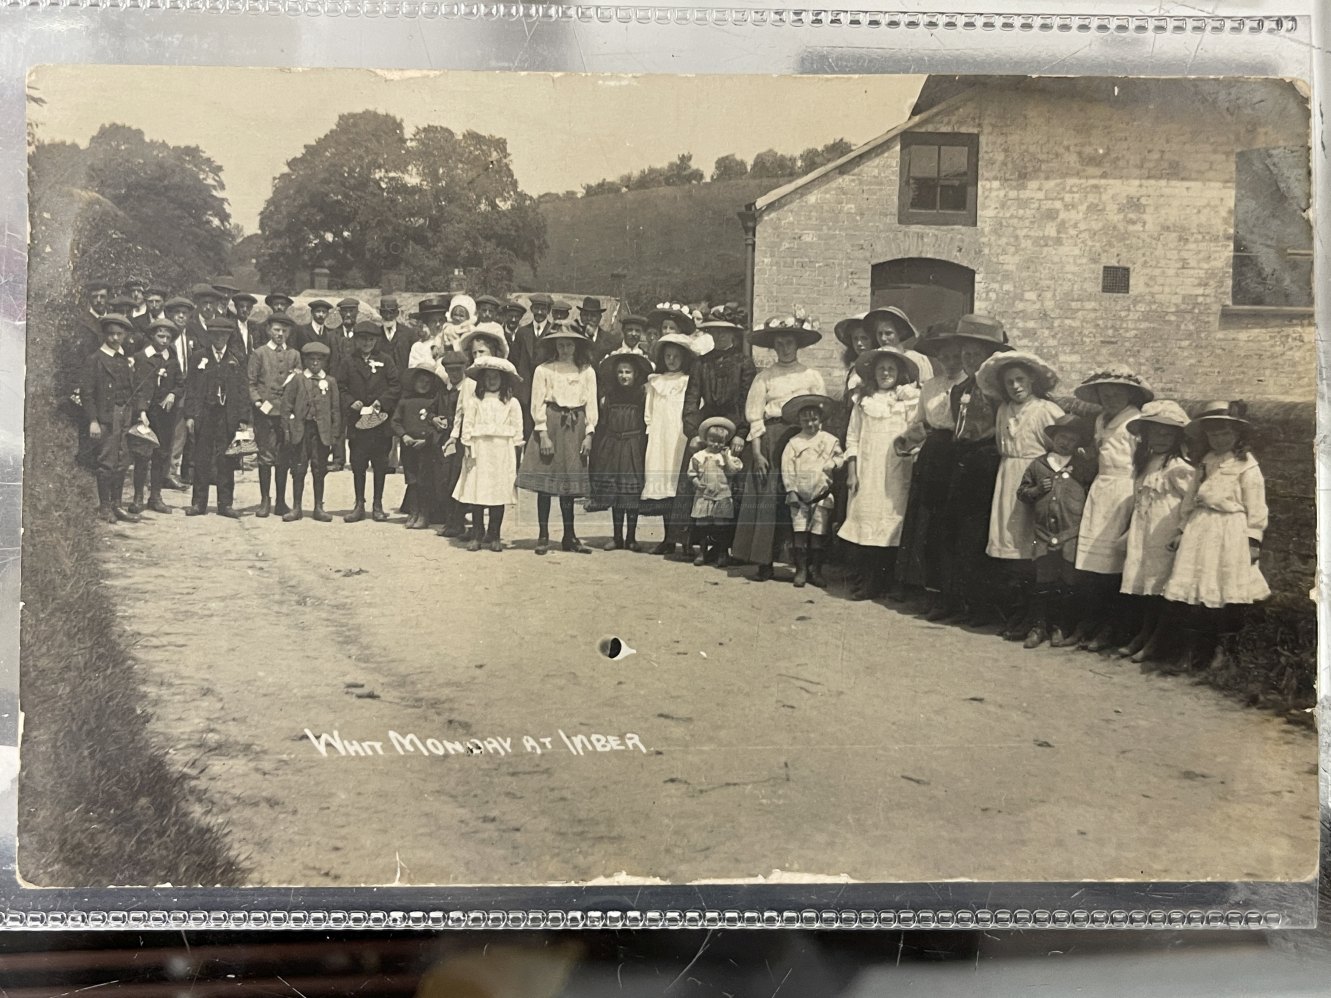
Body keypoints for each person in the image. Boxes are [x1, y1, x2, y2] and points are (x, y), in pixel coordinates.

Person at [1161, 401, 1268, 674]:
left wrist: (1252, 541)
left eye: (1225, 434)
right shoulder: (1205, 463)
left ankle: (1221, 653)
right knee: (1194, 590)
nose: (1218, 440)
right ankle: (1192, 649)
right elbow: (1189, 500)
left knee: (1223, 590)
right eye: (1213, 435)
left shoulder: (1246, 466)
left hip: (1229, 530)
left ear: (1237, 435)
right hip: (1200, 527)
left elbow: (1256, 508)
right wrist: (1182, 530)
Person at [975, 349, 1065, 638]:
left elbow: (1062, 449)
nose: (1015, 386)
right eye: (1009, 382)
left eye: (1020, 379)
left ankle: (1038, 619)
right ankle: (1017, 613)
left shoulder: (1046, 411)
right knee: (1010, 550)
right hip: (1008, 481)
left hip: (1036, 480)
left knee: (1034, 552)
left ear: (1032, 381)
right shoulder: (1003, 410)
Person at [731, 314, 826, 581]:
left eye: (789, 342)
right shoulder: (764, 377)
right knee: (768, 498)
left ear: (798, 345)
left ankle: (803, 564)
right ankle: (764, 561)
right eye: (780, 343)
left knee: (802, 498)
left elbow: (821, 412)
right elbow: (755, 417)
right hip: (771, 440)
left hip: (801, 437)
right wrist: (758, 452)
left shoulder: (811, 375)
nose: (784, 347)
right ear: (773, 347)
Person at [930, 315, 1011, 625]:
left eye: (976, 355)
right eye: (965, 354)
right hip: (961, 459)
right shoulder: (958, 389)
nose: (969, 360)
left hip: (986, 459)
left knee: (977, 535)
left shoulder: (996, 391)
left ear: (990, 358)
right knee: (952, 531)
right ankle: (953, 599)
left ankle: (981, 606)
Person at [1071, 369, 1154, 650]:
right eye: (1104, 392)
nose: (1110, 397)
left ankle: (1112, 628)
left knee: (1114, 565)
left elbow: (1141, 463)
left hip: (1123, 491)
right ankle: (1088, 623)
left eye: (1117, 391)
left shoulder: (1137, 421)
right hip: (1100, 490)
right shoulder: (1100, 420)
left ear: (1130, 394)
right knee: (1092, 565)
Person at [894, 322, 969, 609]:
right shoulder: (931, 386)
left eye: (955, 357)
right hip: (934, 454)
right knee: (929, 521)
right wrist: (905, 442)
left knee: (954, 522)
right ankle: (929, 587)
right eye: (944, 357)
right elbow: (921, 421)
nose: (950, 363)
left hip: (959, 452)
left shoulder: (970, 386)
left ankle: (954, 593)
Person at [837, 347, 920, 600]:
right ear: (873, 372)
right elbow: (852, 437)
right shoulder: (863, 402)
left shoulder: (908, 400)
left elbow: (916, 433)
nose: (886, 373)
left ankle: (888, 582)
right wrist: (852, 472)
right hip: (868, 468)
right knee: (867, 521)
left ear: (899, 373)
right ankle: (868, 580)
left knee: (893, 523)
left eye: (891, 369)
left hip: (896, 471)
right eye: (882, 368)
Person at [672, 312, 754, 562]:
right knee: (701, 486)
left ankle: (724, 549)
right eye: (715, 332)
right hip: (707, 427)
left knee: (730, 489)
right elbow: (691, 398)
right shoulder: (701, 362)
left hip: (735, 425)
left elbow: (747, 400)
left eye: (725, 332)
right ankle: (700, 545)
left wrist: (741, 433)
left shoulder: (744, 362)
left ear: (733, 334)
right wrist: (693, 432)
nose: (720, 336)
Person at [1117, 400, 1195, 664]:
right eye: (1154, 432)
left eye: (1167, 433)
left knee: (1162, 584)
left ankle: (1156, 641)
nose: (1160, 438)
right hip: (1145, 529)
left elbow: (1191, 502)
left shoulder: (1179, 467)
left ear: (1177, 436)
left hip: (1166, 529)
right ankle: (1143, 633)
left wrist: (1182, 531)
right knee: (1148, 583)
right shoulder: (1148, 462)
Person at [515, 326, 599, 555]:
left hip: (576, 425)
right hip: (551, 423)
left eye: (569, 344)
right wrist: (542, 434)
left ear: (577, 346)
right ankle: (543, 535)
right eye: (560, 344)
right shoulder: (544, 370)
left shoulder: (586, 371)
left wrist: (589, 434)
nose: (565, 349)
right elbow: (537, 403)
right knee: (546, 482)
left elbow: (591, 403)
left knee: (569, 485)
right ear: (554, 346)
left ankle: (569, 536)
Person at [1015, 414, 1095, 648]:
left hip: (1071, 534)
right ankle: (1038, 627)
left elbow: (1092, 494)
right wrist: (1038, 490)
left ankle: (1060, 626)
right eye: (1061, 437)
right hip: (1042, 535)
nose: (1065, 443)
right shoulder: (1039, 465)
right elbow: (1022, 493)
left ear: (1078, 442)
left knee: (1068, 581)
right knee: (1043, 581)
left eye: (1071, 439)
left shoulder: (1083, 467)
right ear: (1052, 438)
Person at [454, 356, 525, 552]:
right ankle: (477, 533)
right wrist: (467, 446)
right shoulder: (475, 401)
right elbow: (467, 425)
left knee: (497, 494)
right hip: (480, 452)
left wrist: (517, 453)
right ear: (482, 380)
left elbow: (518, 430)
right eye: (488, 377)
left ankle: (494, 534)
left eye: (496, 377)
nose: (492, 380)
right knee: (479, 493)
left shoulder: (512, 403)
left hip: (501, 453)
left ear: (503, 380)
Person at [184, 318, 250, 518]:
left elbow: (242, 391)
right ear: (210, 336)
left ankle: (225, 504)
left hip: (227, 417)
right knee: (202, 459)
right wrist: (190, 416)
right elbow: (191, 388)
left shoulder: (236, 359)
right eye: (215, 335)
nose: (220, 339)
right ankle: (199, 503)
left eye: (224, 335)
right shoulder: (199, 358)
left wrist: (243, 420)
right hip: (205, 415)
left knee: (226, 460)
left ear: (229, 337)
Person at [83, 313, 144, 523]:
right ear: (104, 335)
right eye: (111, 334)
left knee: (123, 459)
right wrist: (93, 420)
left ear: (125, 335)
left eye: (119, 334)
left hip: (125, 413)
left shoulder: (125, 359)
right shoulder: (95, 360)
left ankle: (117, 505)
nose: (115, 338)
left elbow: (132, 389)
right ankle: (105, 506)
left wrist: (138, 414)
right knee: (107, 461)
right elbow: (87, 394)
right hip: (107, 415)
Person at [780, 394, 845, 588]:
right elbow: (787, 468)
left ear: (821, 419)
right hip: (799, 496)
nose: (810, 423)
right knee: (799, 532)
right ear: (799, 420)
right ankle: (800, 570)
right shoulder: (794, 443)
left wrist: (833, 463)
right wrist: (791, 490)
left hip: (821, 495)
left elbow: (841, 458)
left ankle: (815, 570)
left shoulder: (830, 440)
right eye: (806, 420)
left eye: (814, 419)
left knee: (818, 534)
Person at [588, 352, 651, 551]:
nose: (624, 376)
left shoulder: (642, 395)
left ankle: (631, 537)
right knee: (616, 492)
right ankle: (616, 537)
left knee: (630, 493)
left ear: (636, 374)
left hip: (633, 444)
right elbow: (604, 424)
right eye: (620, 372)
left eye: (628, 372)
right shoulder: (609, 397)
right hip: (613, 445)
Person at [641, 331, 695, 556]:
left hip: (680, 437)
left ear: (684, 358)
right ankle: (668, 539)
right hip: (660, 438)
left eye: (676, 356)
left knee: (681, 486)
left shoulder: (688, 381)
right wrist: (652, 435)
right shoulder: (656, 382)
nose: (671, 360)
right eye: (668, 356)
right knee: (664, 486)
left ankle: (687, 541)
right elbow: (649, 414)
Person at [341, 321, 402, 522]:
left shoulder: (385, 360)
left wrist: (381, 402)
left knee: (380, 463)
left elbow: (395, 386)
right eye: (362, 339)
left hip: (380, 422)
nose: (366, 343)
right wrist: (351, 402)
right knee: (358, 463)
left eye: (370, 339)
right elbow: (340, 388)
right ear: (356, 340)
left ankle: (377, 504)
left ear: (376, 340)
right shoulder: (348, 361)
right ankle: (359, 504)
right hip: (358, 423)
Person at [247, 312, 302, 518]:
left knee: (284, 456)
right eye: (276, 330)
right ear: (269, 330)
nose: (280, 334)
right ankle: (264, 500)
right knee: (265, 455)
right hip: (265, 412)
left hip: (285, 413)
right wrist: (259, 403)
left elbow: (299, 383)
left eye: (284, 331)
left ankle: (280, 501)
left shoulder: (294, 355)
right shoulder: (259, 353)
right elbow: (251, 383)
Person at [279, 341, 341, 523]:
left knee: (319, 468)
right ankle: (297, 507)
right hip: (301, 430)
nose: (315, 363)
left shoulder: (330, 382)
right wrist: (288, 429)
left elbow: (335, 409)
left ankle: (318, 507)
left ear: (324, 362)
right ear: (305, 360)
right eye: (311, 359)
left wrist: (335, 434)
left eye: (319, 360)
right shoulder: (297, 380)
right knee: (298, 468)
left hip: (321, 432)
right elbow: (286, 406)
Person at [128, 317, 183, 516]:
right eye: (160, 336)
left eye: (168, 337)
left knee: (162, 454)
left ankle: (156, 497)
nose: (163, 341)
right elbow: (138, 387)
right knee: (143, 454)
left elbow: (180, 384)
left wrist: (172, 394)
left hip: (166, 416)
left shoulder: (172, 360)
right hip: (146, 414)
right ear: (152, 336)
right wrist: (141, 411)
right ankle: (137, 497)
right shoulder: (142, 357)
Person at [393, 361, 450, 530]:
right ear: (413, 381)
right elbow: (395, 422)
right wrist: (404, 435)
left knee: (425, 481)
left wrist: (427, 440)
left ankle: (425, 515)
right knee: (412, 480)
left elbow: (438, 424)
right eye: (420, 381)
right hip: (409, 446)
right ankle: (413, 512)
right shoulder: (405, 401)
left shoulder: (434, 401)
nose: (423, 385)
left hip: (427, 447)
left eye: (427, 382)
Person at [688, 416, 744, 567]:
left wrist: (727, 458)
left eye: (720, 441)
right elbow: (692, 473)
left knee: (721, 525)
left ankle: (722, 552)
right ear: (705, 439)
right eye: (712, 440)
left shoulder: (727, 457)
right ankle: (702, 552)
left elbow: (733, 472)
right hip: (704, 495)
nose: (716, 444)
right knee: (703, 524)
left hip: (722, 495)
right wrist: (696, 483)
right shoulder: (699, 456)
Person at [163, 295, 199, 489]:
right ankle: (161, 472)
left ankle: (172, 471)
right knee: (165, 431)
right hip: (168, 390)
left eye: (184, 314)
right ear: (170, 315)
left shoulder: (190, 337)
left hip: (186, 389)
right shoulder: (165, 337)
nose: (180, 317)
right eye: (177, 313)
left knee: (180, 431)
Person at [432, 349, 469, 537]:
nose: (454, 374)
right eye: (450, 370)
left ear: (464, 369)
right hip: (445, 440)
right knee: (445, 480)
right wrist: (434, 419)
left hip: (463, 441)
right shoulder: (443, 391)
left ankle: (459, 521)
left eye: (458, 370)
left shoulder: (470, 390)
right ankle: (450, 520)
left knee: (459, 480)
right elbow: (431, 410)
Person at [863, 306, 934, 385]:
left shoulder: (917, 358)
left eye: (888, 333)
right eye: (879, 334)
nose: (883, 338)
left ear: (900, 333)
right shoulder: (872, 359)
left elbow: (927, 387)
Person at [407, 296, 453, 368]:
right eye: (433, 321)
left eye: (441, 320)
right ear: (427, 324)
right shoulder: (419, 347)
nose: (438, 325)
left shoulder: (451, 342)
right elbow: (415, 371)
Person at [378, 295, 415, 374]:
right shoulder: (376, 334)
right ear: (380, 313)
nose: (388, 316)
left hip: (403, 381)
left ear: (397, 313)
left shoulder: (408, 334)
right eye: (385, 312)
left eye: (391, 312)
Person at [228, 292, 261, 357]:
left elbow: (257, 347)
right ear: (236, 307)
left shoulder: (254, 327)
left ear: (251, 309)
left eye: (248, 307)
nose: (245, 310)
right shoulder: (230, 326)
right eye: (241, 306)